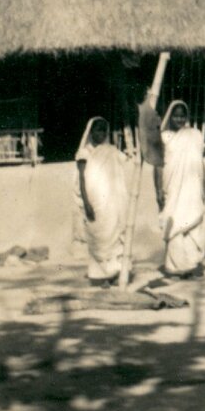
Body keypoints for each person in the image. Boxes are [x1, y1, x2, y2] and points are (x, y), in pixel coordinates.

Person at [74, 117, 130, 286]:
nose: (101, 133)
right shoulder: (85, 152)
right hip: (95, 201)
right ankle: (99, 274)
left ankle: (113, 272)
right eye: (98, 130)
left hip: (112, 202)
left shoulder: (111, 150)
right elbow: (82, 180)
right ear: (90, 132)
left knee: (114, 236)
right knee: (98, 236)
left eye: (104, 130)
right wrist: (86, 203)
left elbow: (124, 162)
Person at [156, 100, 205, 278]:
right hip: (172, 185)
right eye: (176, 115)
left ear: (187, 117)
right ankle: (174, 267)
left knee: (193, 222)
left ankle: (192, 265)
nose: (179, 119)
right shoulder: (164, 137)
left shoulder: (195, 134)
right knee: (175, 223)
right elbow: (158, 165)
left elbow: (199, 161)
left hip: (193, 185)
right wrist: (157, 189)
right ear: (169, 116)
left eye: (182, 115)